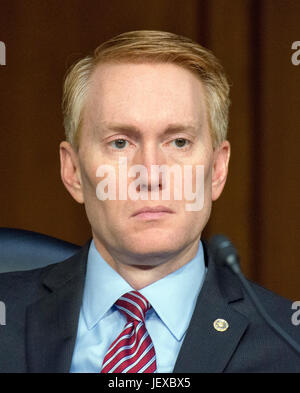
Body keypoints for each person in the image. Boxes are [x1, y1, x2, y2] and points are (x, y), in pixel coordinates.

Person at [0, 30, 299, 373]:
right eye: (120, 143)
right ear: (73, 171)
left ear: (217, 169)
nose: (151, 175)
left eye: (179, 142)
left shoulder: (290, 346)